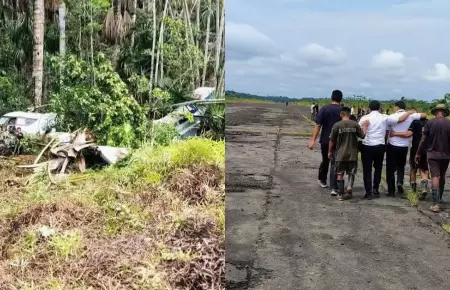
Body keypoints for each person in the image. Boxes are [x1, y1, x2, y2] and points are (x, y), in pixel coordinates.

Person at [358, 100, 416, 199]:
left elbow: (360, 133)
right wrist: (410, 112)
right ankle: (376, 189)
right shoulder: (385, 117)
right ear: (379, 108)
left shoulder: (364, 118)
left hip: (367, 146)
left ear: (369, 108)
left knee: (367, 170)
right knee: (378, 168)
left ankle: (368, 192)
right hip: (380, 146)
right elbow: (400, 119)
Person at [385, 101, 426, 197]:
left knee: (390, 169)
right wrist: (411, 113)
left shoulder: (391, 117)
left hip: (392, 145)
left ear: (396, 107)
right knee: (401, 166)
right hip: (404, 146)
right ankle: (399, 182)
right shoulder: (412, 116)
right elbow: (424, 115)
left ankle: (391, 191)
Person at [329, 107, 368, 200]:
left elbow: (332, 140)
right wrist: (365, 127)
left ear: (341, 114)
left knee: (340, 173)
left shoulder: (337, 125)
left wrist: (330, 151)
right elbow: (362, 136)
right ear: (350, 114)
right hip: (353, 154)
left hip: (340, 154)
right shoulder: (355, 124)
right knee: (351, 173)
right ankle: (349, 187)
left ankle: (340, 194)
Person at [416, 104, 450, 213]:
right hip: (446, 155)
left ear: (435, 112)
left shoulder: (430, 123)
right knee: (442, 176)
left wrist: (418, 153)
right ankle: (439, 198)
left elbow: (422, 140)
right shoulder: (448, 123)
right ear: (444, 112)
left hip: (433, 155)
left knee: (435, 176)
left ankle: (435, 204)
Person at [308, 90, 343, 196]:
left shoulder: (324, 108)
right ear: (341, 98)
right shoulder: (343, 110)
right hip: (339, 141)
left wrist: (312, 139)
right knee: (336, 162)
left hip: (325, 140)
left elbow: (318, 125)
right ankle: (334, 185)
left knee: (325, 160)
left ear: (331, 98)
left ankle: (322, 179)